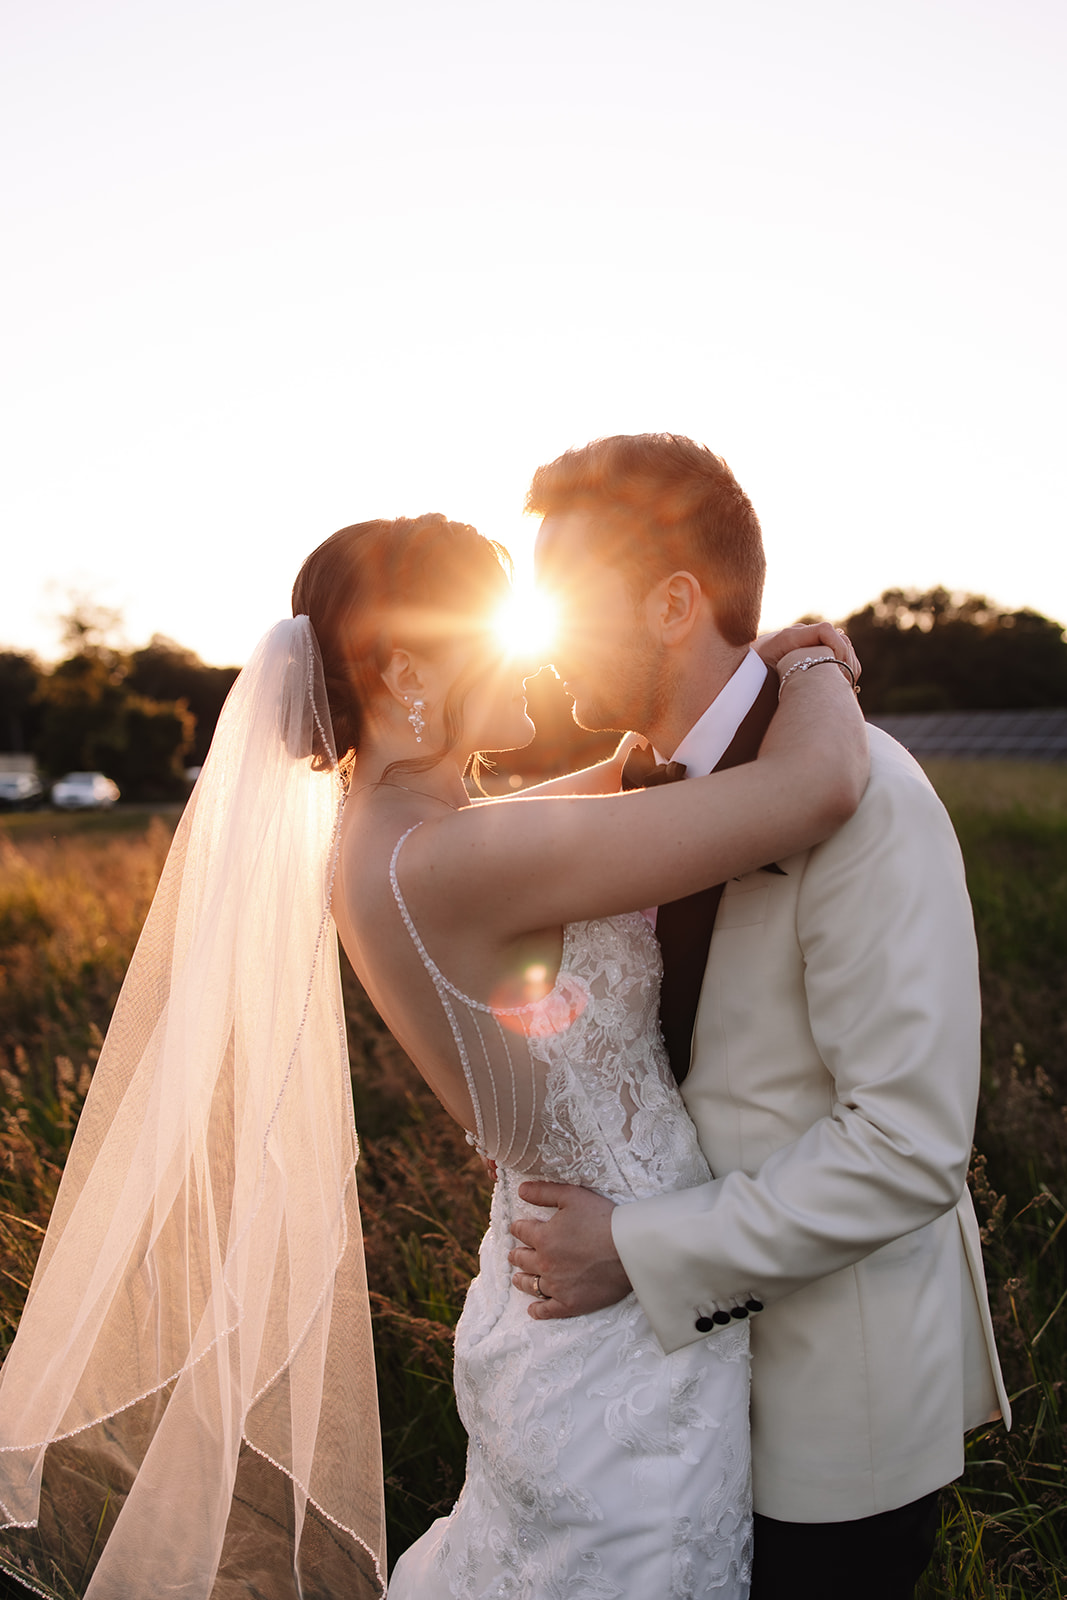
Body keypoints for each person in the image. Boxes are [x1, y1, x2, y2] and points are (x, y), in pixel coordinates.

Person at [0, 510, 862, 1600]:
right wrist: (816, 658)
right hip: (614, 1347)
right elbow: (814, 790)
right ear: (407, 666)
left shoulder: (391, 833)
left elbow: (603, 785)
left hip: (577, 1306)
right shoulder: (450, 858)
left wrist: (640, 748)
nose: (533, 652)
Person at [506, 434, 1011, 1600]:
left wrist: (633, 1252)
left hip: (833, 1412)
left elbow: (906, 1143)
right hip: (659, 1409)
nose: (542, 640)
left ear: (674, 602)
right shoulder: (626, 796)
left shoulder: (868, 797)